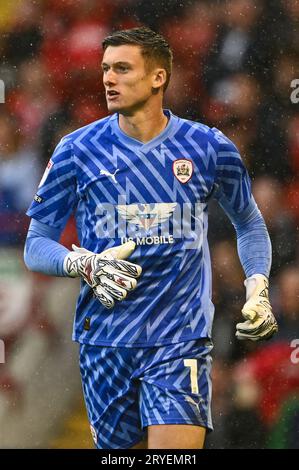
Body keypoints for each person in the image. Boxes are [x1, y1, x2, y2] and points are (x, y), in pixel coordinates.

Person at [24, 26, 278, 450]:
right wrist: (82, 263)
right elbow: (36, 242)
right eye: (105, 69)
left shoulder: (208, 148)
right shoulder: (77, 149)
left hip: (179, 337)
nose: (108, 79)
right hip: (104, 340)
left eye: (122, 69)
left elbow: (249, 223)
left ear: (158, 77)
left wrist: (258, 287)